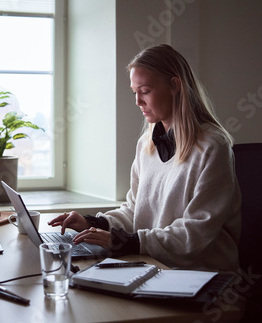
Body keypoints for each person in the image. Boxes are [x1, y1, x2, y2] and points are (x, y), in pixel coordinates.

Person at [49, 44, 241, 271]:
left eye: (145, 91)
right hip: (155, 267)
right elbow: (135, 211)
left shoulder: (212, 147)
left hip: (202, 276)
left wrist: (130, 242)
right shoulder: (146, 144)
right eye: (135, 92)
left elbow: (196, 233)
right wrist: (93, 223)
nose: (138, 102)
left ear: (174, 86)